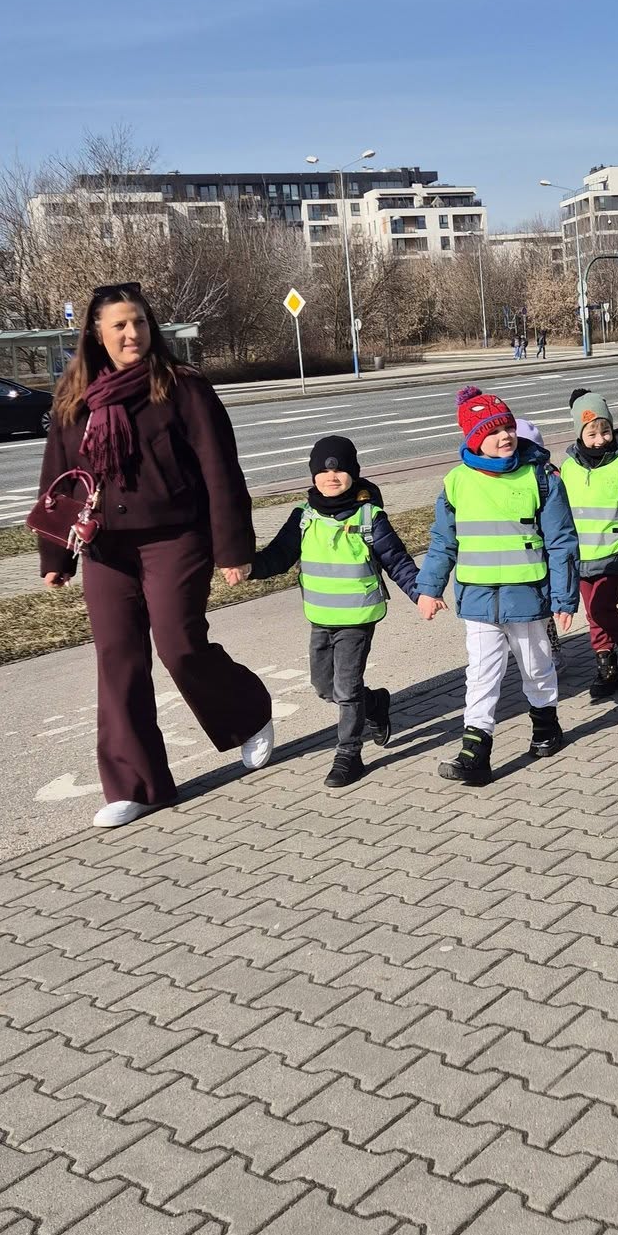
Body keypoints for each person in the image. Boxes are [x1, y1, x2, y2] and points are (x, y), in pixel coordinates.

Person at [37, 282, 274, 830]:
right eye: (119, 325)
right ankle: (137, 786)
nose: (132, 334)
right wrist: (56, 554)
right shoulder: (75, 397)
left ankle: (248, 715)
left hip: (176, 538)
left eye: (139, 322)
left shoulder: (181, 386)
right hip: (105, 547)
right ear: (95, 333)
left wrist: (232, 548)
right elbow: (59, 477)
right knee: (118, 659)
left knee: (179, 644)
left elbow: (220, 470)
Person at [416, 390, 578, 786]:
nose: (505, 436)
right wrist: (429, 588)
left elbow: (562, 542)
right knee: (481, 673)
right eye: (492, 432)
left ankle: (545, 726)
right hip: (478, 598)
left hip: (528, 596)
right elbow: (443, 540)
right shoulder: (456, 482)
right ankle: (475, 750)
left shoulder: (541, 477)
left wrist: (564, 597)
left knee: (536, 665)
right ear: (474, 440)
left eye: (507, 427)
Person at [248, 434, 423, 787]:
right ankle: (375, 704)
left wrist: (422, 593)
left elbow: (397, 561)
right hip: (320, 617)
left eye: (340, 470)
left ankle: (349, 754)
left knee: (346, 688)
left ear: (353, 473)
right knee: (324, 687)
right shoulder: (303, 517)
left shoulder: (369, 516)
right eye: (324, 471)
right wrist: (249, 567)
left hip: (357, 618)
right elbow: (278, 557)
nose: (332, 477)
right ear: (313, 475)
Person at [559, 390, 618, 702]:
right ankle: (606, 665)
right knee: (593, 613)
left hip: (615, 554)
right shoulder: (568, 468)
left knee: (601, 608)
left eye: (605, 431)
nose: (600, 440)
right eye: (592, 434)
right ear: (579, 434)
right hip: (580, 557)